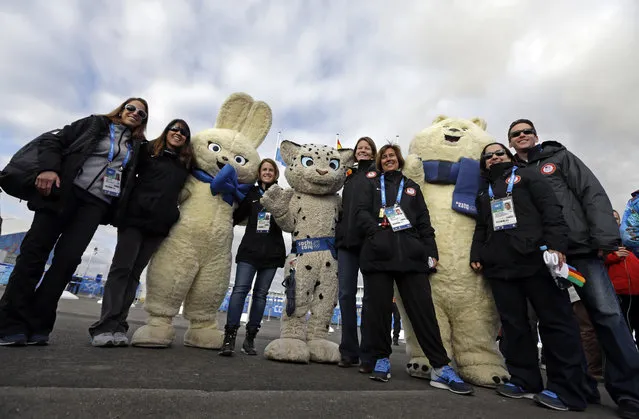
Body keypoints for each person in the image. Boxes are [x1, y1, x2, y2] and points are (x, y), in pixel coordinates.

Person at [508, 118, 639, 418]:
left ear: (536, 136)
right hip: (544, 257)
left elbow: (591, 193)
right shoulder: (513, 174)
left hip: (580, 249)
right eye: (516, 134)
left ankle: (630, 392)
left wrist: (604, 238)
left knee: (607, 315)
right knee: (558, 323)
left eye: (527, 131)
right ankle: (578, 385)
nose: (522, 136)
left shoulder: (560, 158)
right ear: (511, 141)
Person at [0, 98, 148, 346]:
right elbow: (52, 141)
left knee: (66, 263)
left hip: (94, 205)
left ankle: (38, 325)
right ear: (121, 109)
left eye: (142, 113)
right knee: (33, 255)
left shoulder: (135, 145)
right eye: (131, 108)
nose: (135, 113)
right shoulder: (94, 124)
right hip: (63, 192)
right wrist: (49, 169)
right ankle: (10, 323)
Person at [471, 142, 588, 411]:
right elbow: (481, 227)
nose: (493, 158)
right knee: (513, 325)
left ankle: (568, 389)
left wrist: (557, 245)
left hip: (535, 259)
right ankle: (524, 378)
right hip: (500, 266)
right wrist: (478, 253)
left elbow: (552, 211)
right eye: (487, 156)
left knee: (555, 323)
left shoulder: (529, 176)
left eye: (499, 153)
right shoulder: (483, 192)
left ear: (509, 156)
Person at [355, 144, 472, 395]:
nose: (388, 159)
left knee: (423, 311)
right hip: (378, 254)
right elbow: (360, 212)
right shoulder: (371, 183)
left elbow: (424, 223)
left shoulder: (412, 188)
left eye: (392, 156)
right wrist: (376, 232)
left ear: (399, 161)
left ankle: (441, 367)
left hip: (410, 255)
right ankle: (381, 359)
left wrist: (430, 252)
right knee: (379, 311)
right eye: (384, 157)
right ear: (379, 162)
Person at [88, 119, 193, 347]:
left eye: (184, 132)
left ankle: (119, 326)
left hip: (159, 224)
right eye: (174, 129)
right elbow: (123, 165)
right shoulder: (146, 150)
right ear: (166, 131)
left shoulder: (185, 163)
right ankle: (104, 326)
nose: (178, 133)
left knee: (135, 273)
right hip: (135, 217)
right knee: (121, 269)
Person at [219, 158, 286, 356]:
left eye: (270, 170)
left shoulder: (281, 195)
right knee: (240, 291)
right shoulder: (251, 193)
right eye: (264, 169)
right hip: (249, 251)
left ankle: (250, 338)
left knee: (260, 295)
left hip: (272, 253)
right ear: (259, 173)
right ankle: (229, 337)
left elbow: (287, 220)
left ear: (275, 174)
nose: (267, 172)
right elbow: (236, 215)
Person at [335, 136, 377, 370]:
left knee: (371, 298)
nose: (362, 150)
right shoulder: (347, 177)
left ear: (372, 153)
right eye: (359, 148)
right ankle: (349, 351)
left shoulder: (376, 175)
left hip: (368, 242)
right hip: (346, 243)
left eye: (366, 148)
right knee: (345, 295)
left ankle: (369, 353)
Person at [607, 210, 639, 349]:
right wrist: (613, 255)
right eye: (611, 219)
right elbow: (594, 261)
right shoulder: (602, 240)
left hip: (637, 292)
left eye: (617, 219)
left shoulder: (631, 239)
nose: (615, 222)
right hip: (619, 293)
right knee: (624, 334)